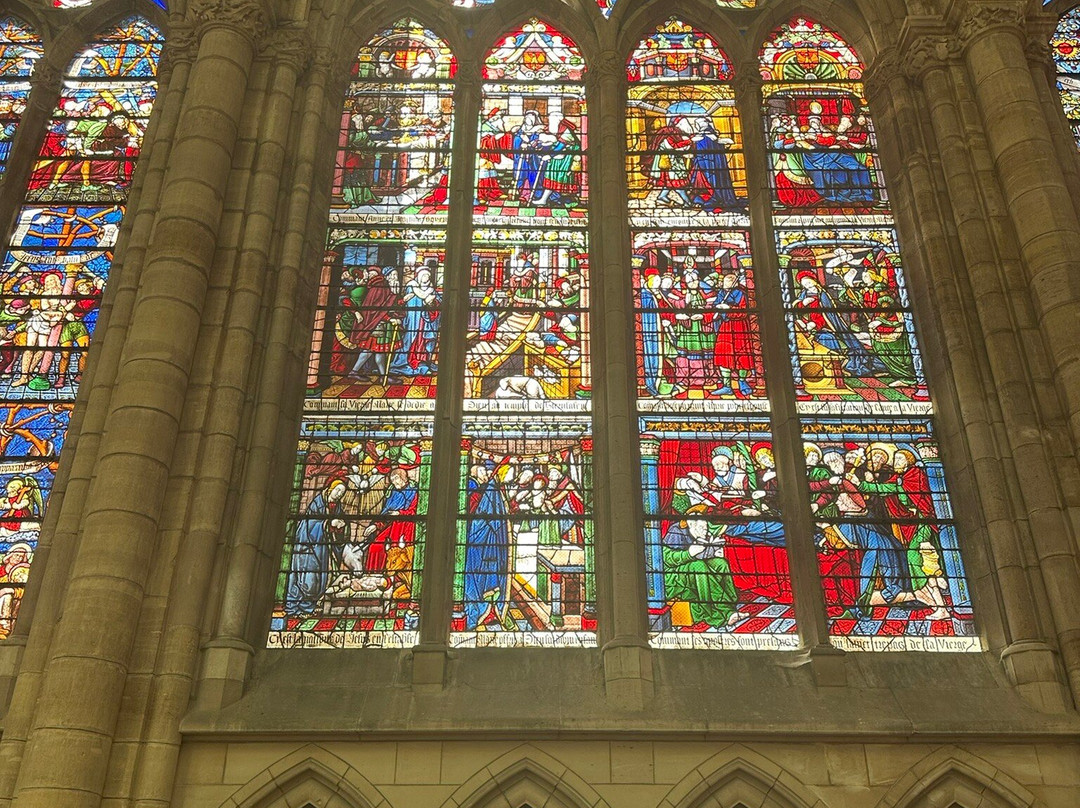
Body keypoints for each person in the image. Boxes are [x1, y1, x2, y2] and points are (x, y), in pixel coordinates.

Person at [660, 510, 746, 629]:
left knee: (721, 563)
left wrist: (713, 552)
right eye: (702, 528)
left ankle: (730, 602)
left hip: (688, 568)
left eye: (706, 528)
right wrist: (689, 553)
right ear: (691, 525)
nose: (705, 531)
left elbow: (700, 555)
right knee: (699, 566)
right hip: (670, 576)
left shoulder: (698, 534)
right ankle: (724, 613)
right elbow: (666, 558)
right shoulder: (675, 531)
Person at [285, 479, 348, 615]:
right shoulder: (317, 504)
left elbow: (339, 535)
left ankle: (309, 607)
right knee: (308, 578)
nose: (339, 494)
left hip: (323, 550)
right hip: (309, 547)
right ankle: (296, 608)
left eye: (342, 493)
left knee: (320, 579)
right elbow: (307, 525)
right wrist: (327, 524)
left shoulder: (337, 508)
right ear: (330, 489)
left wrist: (340, 528)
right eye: (337, 490)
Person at [462, 462, 511, 630]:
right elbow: (483, 516)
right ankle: (480, 612)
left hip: (488, 541)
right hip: (479, 541)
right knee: (480, 575)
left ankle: (490, 611)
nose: (487, 474)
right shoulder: (481, 490)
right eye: (483, 471)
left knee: (489, 575)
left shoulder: (489, 489)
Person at [710, 271, 754, 397]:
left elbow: (744, 312)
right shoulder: (721, 293)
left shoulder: (740, 294)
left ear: (734, 283)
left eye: (727, 282)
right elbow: (715, 306)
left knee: (742, 356)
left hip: (740, 328)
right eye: (724, 282)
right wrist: (717, 309)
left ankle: (742, 382)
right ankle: (727, 386)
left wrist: (729, 309)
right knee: (723, 356)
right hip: (725, 327)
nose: (724, 284)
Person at [688, 117, 740, 211]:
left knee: (711, 182)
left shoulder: (705, 137)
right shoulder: (710, 137)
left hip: (708, 165)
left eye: (698, 124)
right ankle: (716, 198)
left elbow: (700, 153)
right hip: (712, 165)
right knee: (711, 181)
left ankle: (715, 198)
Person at [646, 116, 694, 207]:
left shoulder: (677, 134)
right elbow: (672, 146)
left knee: (670, 182)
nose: (686, 125)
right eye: (683, 123)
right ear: (678, 124)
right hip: (669, 162)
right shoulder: (668, 134)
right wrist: (689, 142)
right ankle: (688, 203)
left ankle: (662, 197)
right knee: (676, 182)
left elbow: (679, 148)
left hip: (674, 162)